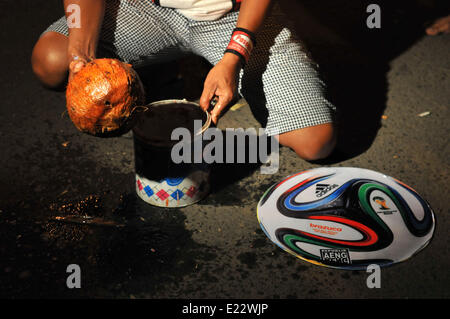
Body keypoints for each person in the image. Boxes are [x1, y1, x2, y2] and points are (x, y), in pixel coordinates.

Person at [31, 0, 336, 161]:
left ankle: (208, 63)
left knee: (315, 141)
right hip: (150, 10)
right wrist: (81, 56)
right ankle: (165, 66)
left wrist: (233, 57)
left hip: (234, 17)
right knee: (52, 60)